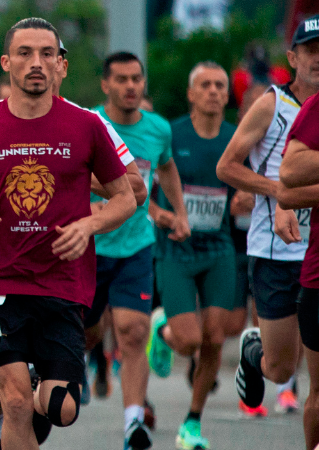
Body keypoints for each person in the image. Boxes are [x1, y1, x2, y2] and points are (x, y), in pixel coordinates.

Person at [0, 17, 139, 450]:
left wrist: (89, 224)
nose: (36, 63)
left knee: (60, 408)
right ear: (8, 62)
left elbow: (127, 196)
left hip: (63, 282)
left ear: (61, 64)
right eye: (24, 53)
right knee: (18, 403)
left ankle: (7, 426)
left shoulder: (86, 126)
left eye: (46, 54)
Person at [139, 61, 245, 450]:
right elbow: (136, 184)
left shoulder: (237, 138)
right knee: (189, 341)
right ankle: (164, 330)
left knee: (215, 338)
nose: (215, 91)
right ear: (191, 94)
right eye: (206, 85)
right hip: (176, 249)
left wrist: (247, 197)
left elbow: (245, 187)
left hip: (219, 248)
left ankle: (193, 422)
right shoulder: (171, 135)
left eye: (220, 85)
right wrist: (160, 214)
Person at [218, 15, 319, 419]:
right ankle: (253, 350)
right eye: (311, 52)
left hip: (316, 249)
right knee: (281, 367)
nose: (318, 60)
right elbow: (227, 166)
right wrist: (280, 193)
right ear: (293, 57)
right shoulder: (273, 105)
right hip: (276, 251)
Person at [88, 51, 185, 450]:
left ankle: (133, 423)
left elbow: (167, 167)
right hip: (89, 244)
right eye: (122, 79)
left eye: (136, 79)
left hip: (136, 245)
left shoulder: (158, 128)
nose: (130, 86)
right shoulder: (88, 123)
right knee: (86, 330)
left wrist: (179, 212)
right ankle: (87, 360)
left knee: (133, 331)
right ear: (105, 85)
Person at [274, 34, 319, 447]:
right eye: (312, 50)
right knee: (288, 372)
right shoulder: (289, 106)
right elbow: (287, 181)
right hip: (309, 268)